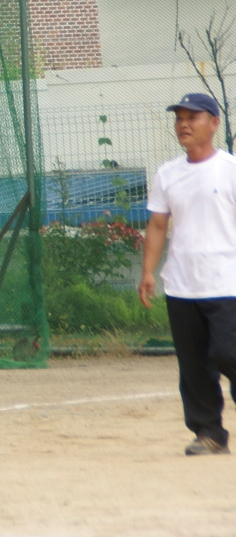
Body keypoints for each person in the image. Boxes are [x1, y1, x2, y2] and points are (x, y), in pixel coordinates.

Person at [138, 91, 236, 456]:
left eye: (193, 117)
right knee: (194, 366)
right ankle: (208, 433)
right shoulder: (168, 173)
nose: (183, 124)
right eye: (179, 117)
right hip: (182, 285)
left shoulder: (230, 169)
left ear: (213, 123)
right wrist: (148, 271)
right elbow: (158, 225)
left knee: (229, 352)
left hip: (228, 283)